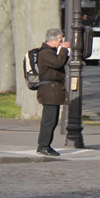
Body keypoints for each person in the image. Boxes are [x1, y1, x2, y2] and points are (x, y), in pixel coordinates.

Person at [35, 28, 70, 156]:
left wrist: (63, 52)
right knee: (49, 120)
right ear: (52, 40)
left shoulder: (51, 52)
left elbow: (60, 63)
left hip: (53, 89)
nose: (62, 42)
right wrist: (64, 49)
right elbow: (57, 63)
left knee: (52, 119)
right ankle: (43, 146)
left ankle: (46, 145)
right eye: (60, 40)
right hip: (49, 90)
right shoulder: (45, 53)